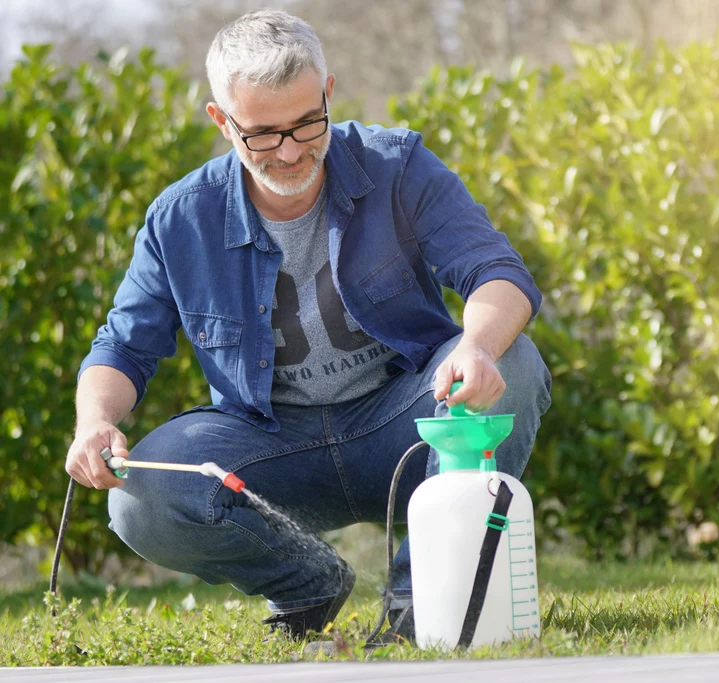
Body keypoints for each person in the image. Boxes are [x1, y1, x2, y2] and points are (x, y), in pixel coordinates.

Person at [65, 8, 551, 647]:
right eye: (262, 134)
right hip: (271, 448)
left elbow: (498, 273)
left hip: (409, 424)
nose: (291, 151)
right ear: (222, 120)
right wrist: (95, 421)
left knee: (515, 365)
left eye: (306, 123)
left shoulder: (397, 165)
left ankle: (420, 602)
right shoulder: (179, 219)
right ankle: (307, 585)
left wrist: (479, 347)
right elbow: (122, 348)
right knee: (140, 495)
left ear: (327, 93)